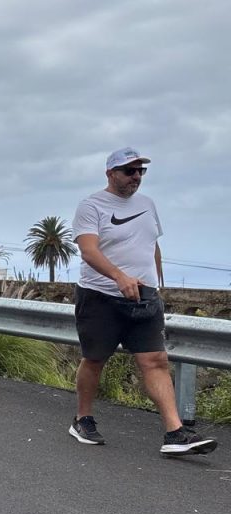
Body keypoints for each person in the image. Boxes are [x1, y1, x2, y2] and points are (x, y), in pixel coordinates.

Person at [69, 148, 216, 456]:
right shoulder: (91, 206)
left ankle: (175, 433)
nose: (136, 176)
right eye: (129, 171)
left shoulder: (148, 205)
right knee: (95, 359)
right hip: (100, 297)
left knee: (155, 361)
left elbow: (152, 245)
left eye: (141, 171)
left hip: (144, 299)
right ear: (111, 174)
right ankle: (82, 419)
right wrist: (119, 277)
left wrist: (158, 284)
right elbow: (89, 251)